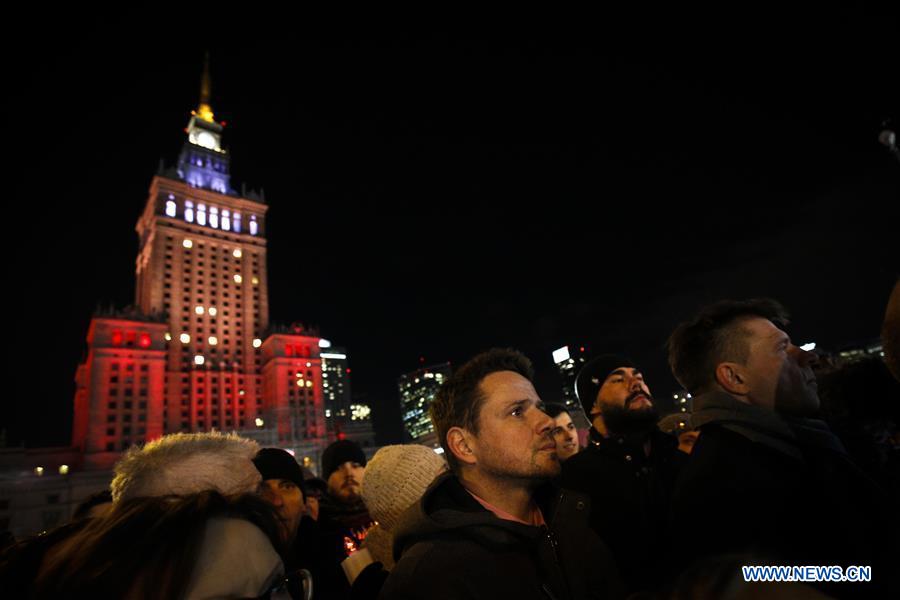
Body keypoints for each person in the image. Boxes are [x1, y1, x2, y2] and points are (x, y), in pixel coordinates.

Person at [667, 298, 899, 598]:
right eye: (782, 348)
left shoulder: (800, 442)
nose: (807, 356)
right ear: (735, 378)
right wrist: (869, 572)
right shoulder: (722, 485)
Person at [379, 348, 622, 600]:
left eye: (539, 408)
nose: (547, 422)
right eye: (517, 412)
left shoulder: (571, 513)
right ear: (464, 446)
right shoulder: (428, 578)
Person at [559, 354, 685, 593]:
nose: (636, 384)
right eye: (618, 380)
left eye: (639, 377)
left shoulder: (679, 460)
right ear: (593, 405)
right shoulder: (574, 479)